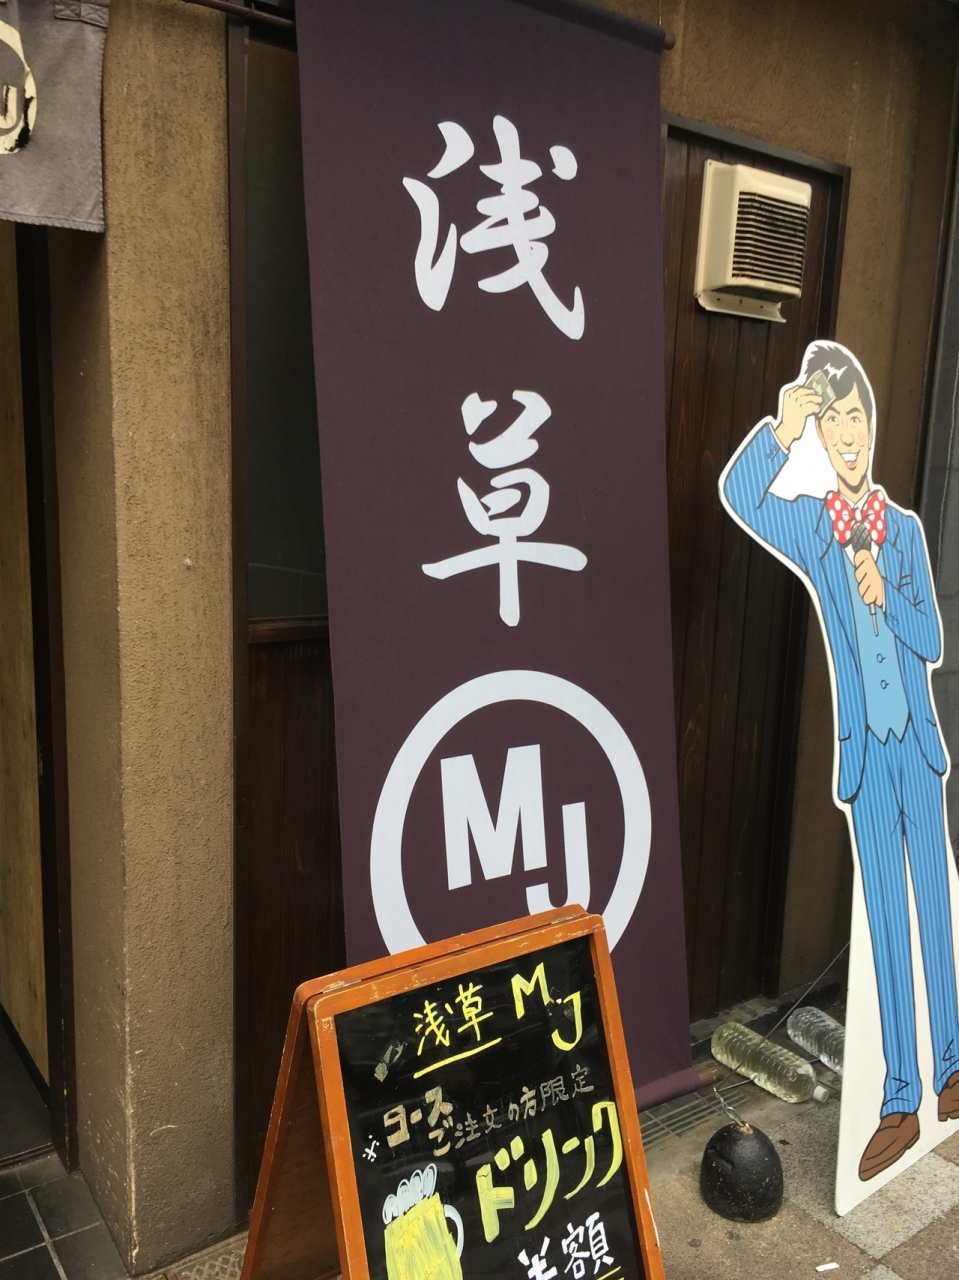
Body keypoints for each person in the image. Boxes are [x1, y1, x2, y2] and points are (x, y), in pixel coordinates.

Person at [720, 341, 959, 1180]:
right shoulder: (815, 529)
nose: (848, 436)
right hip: (864, 757)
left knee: (934, 903)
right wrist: (780, 433)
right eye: (832, 425)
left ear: (870, 421)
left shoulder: (905, 532)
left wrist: (885, 596)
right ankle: (898, 1097)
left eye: (854, 417)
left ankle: (951, 1068)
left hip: (915, 747)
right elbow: (741, 497)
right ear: (822, 437)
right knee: (884, 921)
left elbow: (929, 637)